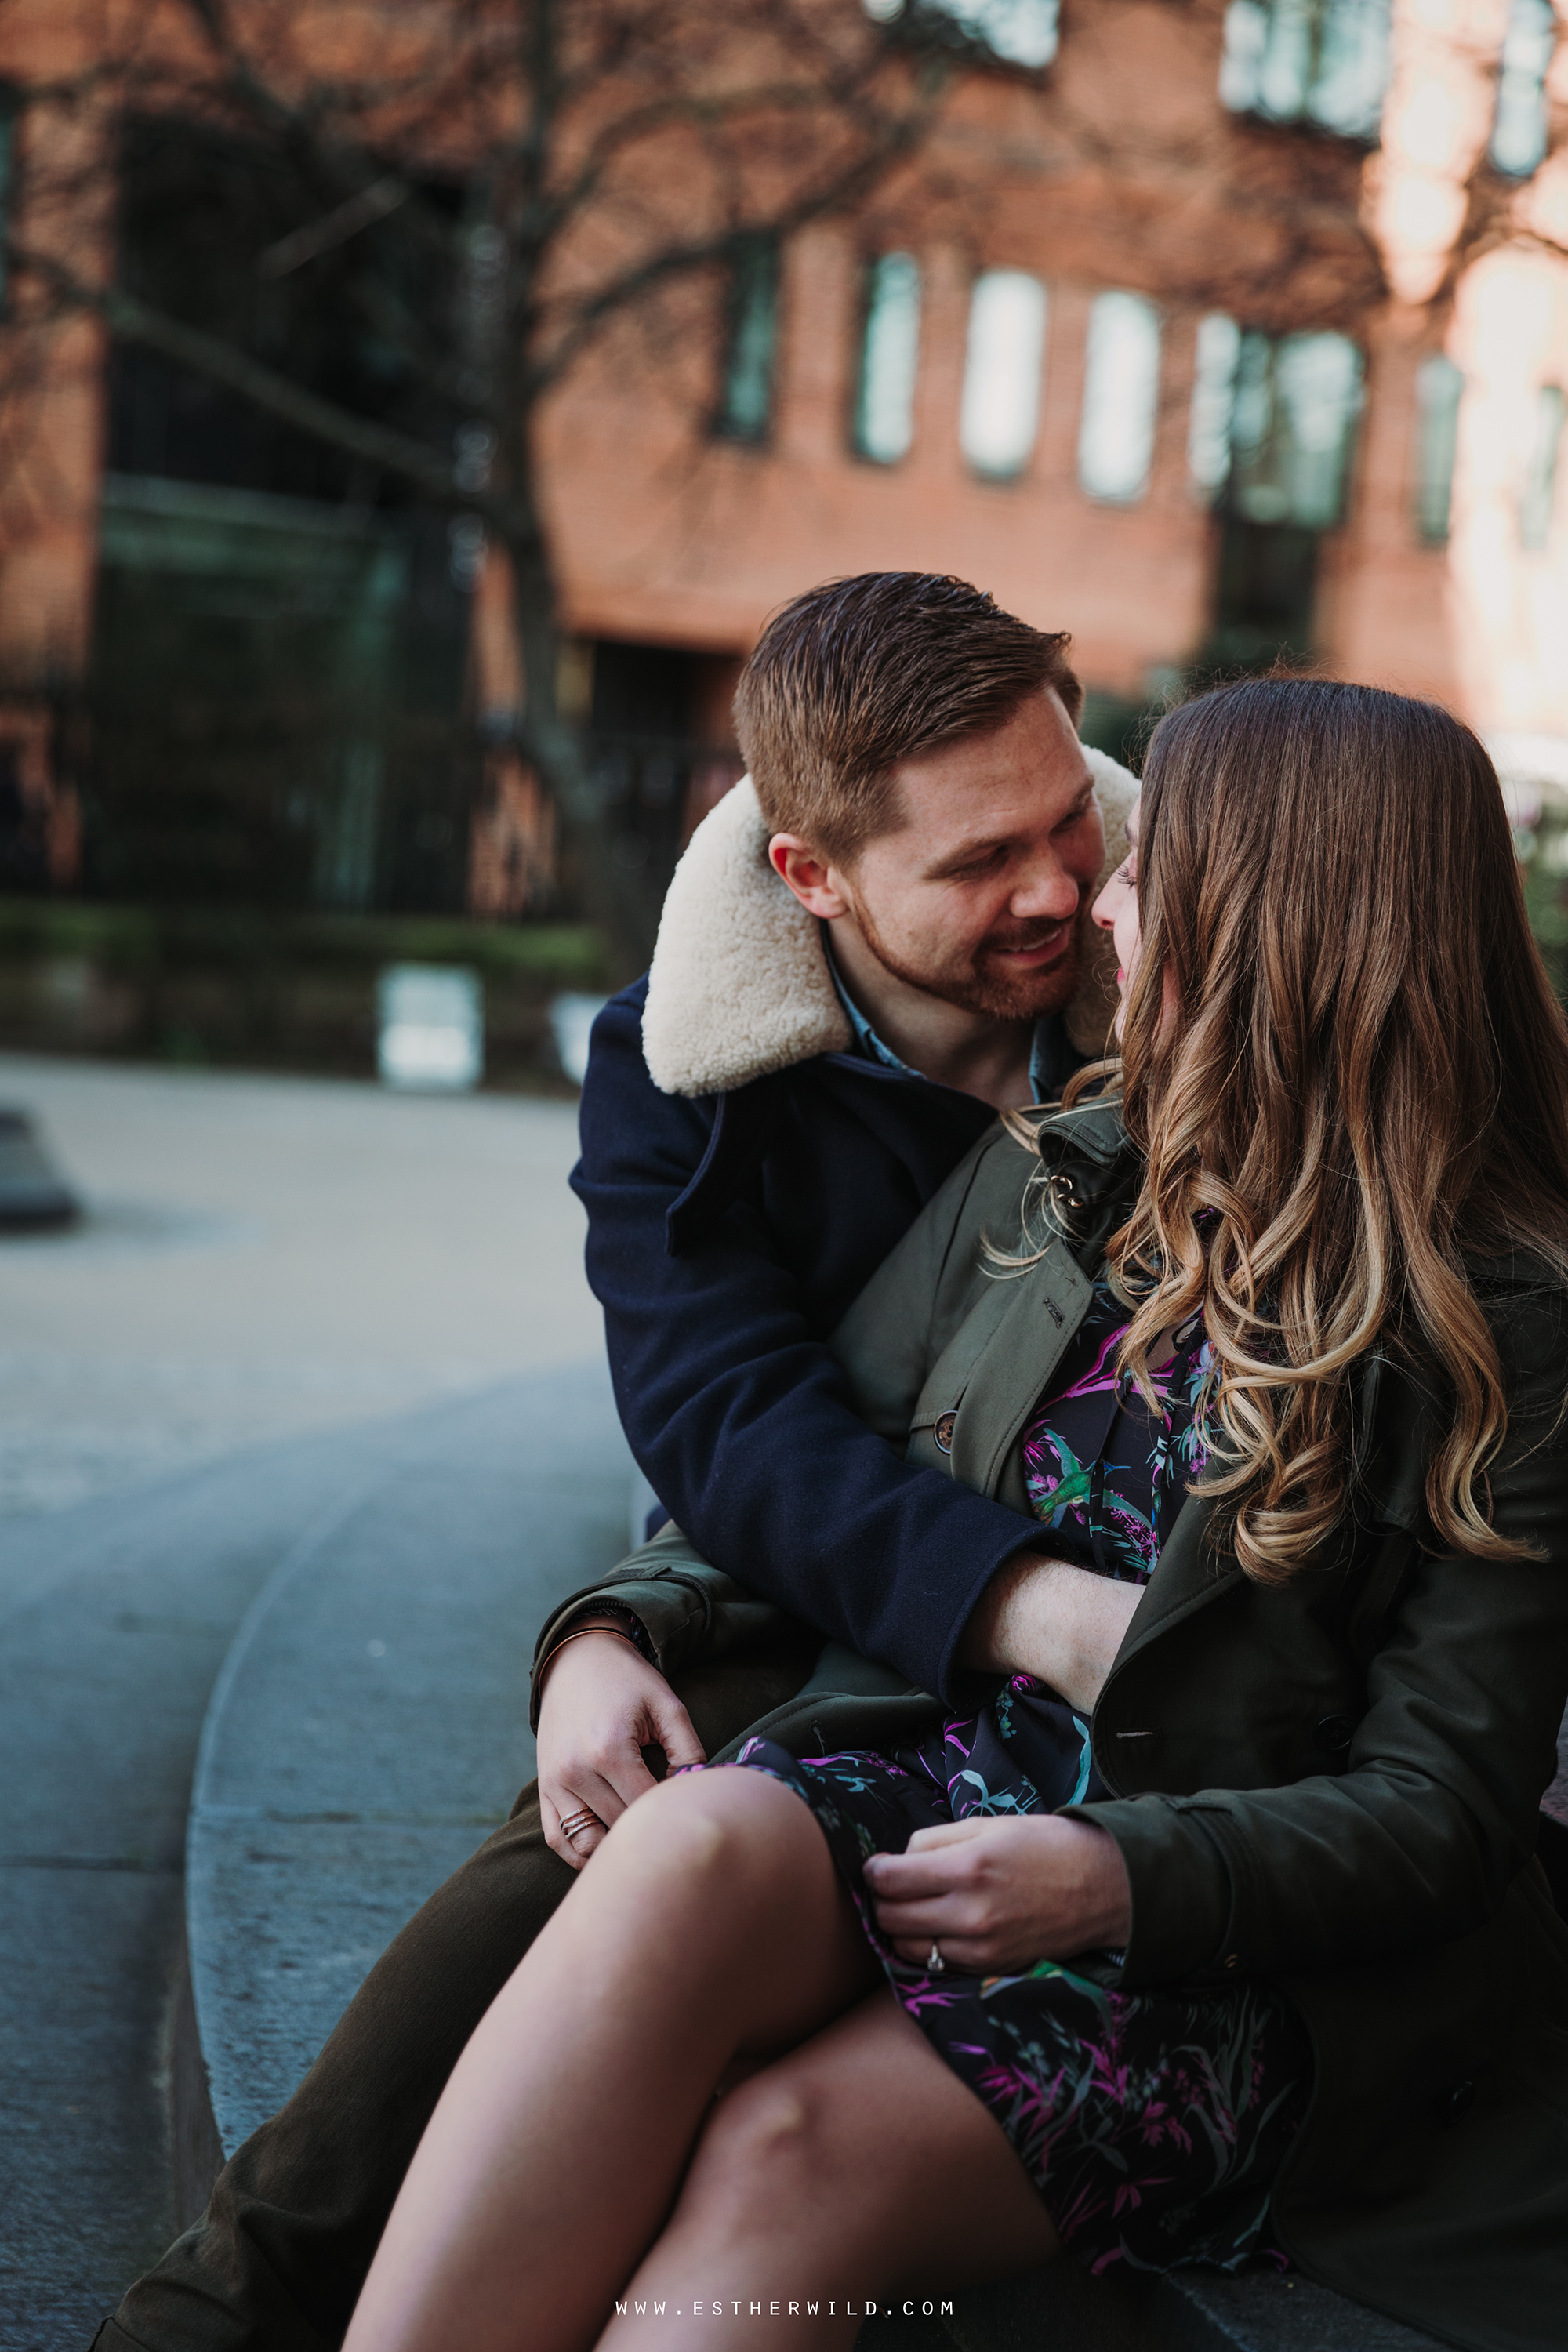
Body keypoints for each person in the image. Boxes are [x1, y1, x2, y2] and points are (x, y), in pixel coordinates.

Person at [341, 678, 1568, 2352]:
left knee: (786, 2153)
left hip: (1232, 1941)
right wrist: (617, 1626)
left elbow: (1442, 1813)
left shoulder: (1508, 1319)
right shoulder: (1082, 1158)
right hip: (938, 1780)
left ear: (1267, 916)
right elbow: (839, 1432)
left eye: (1143, 864)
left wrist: (1114, 1882)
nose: (1098, 901)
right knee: (682, 1837)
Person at [95, 575, 1136, 2352]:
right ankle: (218, 2312)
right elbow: (730, 1425)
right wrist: (618, 1623)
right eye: (978, 865)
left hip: (1130, 1604)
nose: (1052, 886)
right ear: (809, 876)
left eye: (1067, 820)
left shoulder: (1176, 954)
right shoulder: (682, 1072)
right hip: (876, 1592)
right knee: (597, 1825)